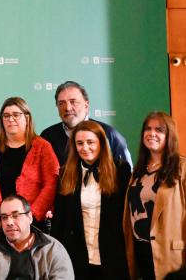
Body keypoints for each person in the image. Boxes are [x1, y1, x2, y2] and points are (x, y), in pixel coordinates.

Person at [51, 120, 130, 280]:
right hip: (77, 258)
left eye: (90, 142)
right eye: (79, 143)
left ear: (101, 142)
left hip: (113, 256)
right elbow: (60, 220)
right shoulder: (66, 174)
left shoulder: (121, 171)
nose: (85, 148)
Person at [0, 97, 58, 228]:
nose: (10, 119)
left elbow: (51, 184)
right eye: (6, 116)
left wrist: (30, 216)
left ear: (27, 118)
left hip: (34, 224)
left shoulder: (43, 147)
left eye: (16, 115)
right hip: (2, 223)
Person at [124, 111, 186, 280]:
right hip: (141, 250)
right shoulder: (138, 171)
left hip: (171, 254)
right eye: (148, 129)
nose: (152, 133)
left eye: (159, 130)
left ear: (169, 136)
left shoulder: (182, 168)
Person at [0, 195, 73, 279]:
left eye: (15, 215)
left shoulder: (53, 248)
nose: (9, 222)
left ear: (29, 217)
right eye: (4, 217)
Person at [40, 80, 132, 167]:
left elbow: (127, 175)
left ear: (86, 105)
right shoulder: (47, 137)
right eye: (61, 103)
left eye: (73, 102)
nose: (67, 108)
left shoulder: (108, 134)